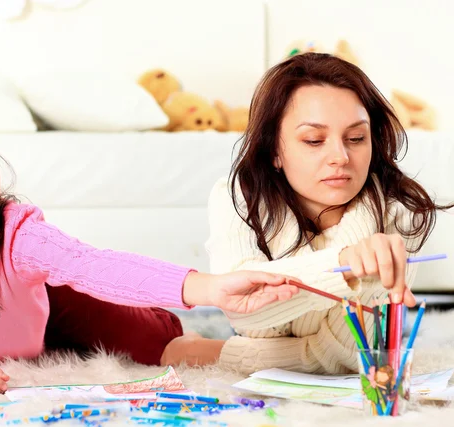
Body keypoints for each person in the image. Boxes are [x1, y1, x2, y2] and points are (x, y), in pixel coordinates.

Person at [0, 102, 298, 396]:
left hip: (55, 301)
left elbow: (95, 266)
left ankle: (287, 356)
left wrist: (210, 288)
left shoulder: (17, 233)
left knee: (158, 341)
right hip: (28, 334)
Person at [159, 52, 452, 374]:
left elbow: (348, 357)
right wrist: (344, 265)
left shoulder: (398, 213)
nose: (340, 157)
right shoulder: (239, 196)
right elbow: (246, 311)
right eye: (314, 140)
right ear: (274, 151)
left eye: (356, 138)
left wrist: (218, 353)